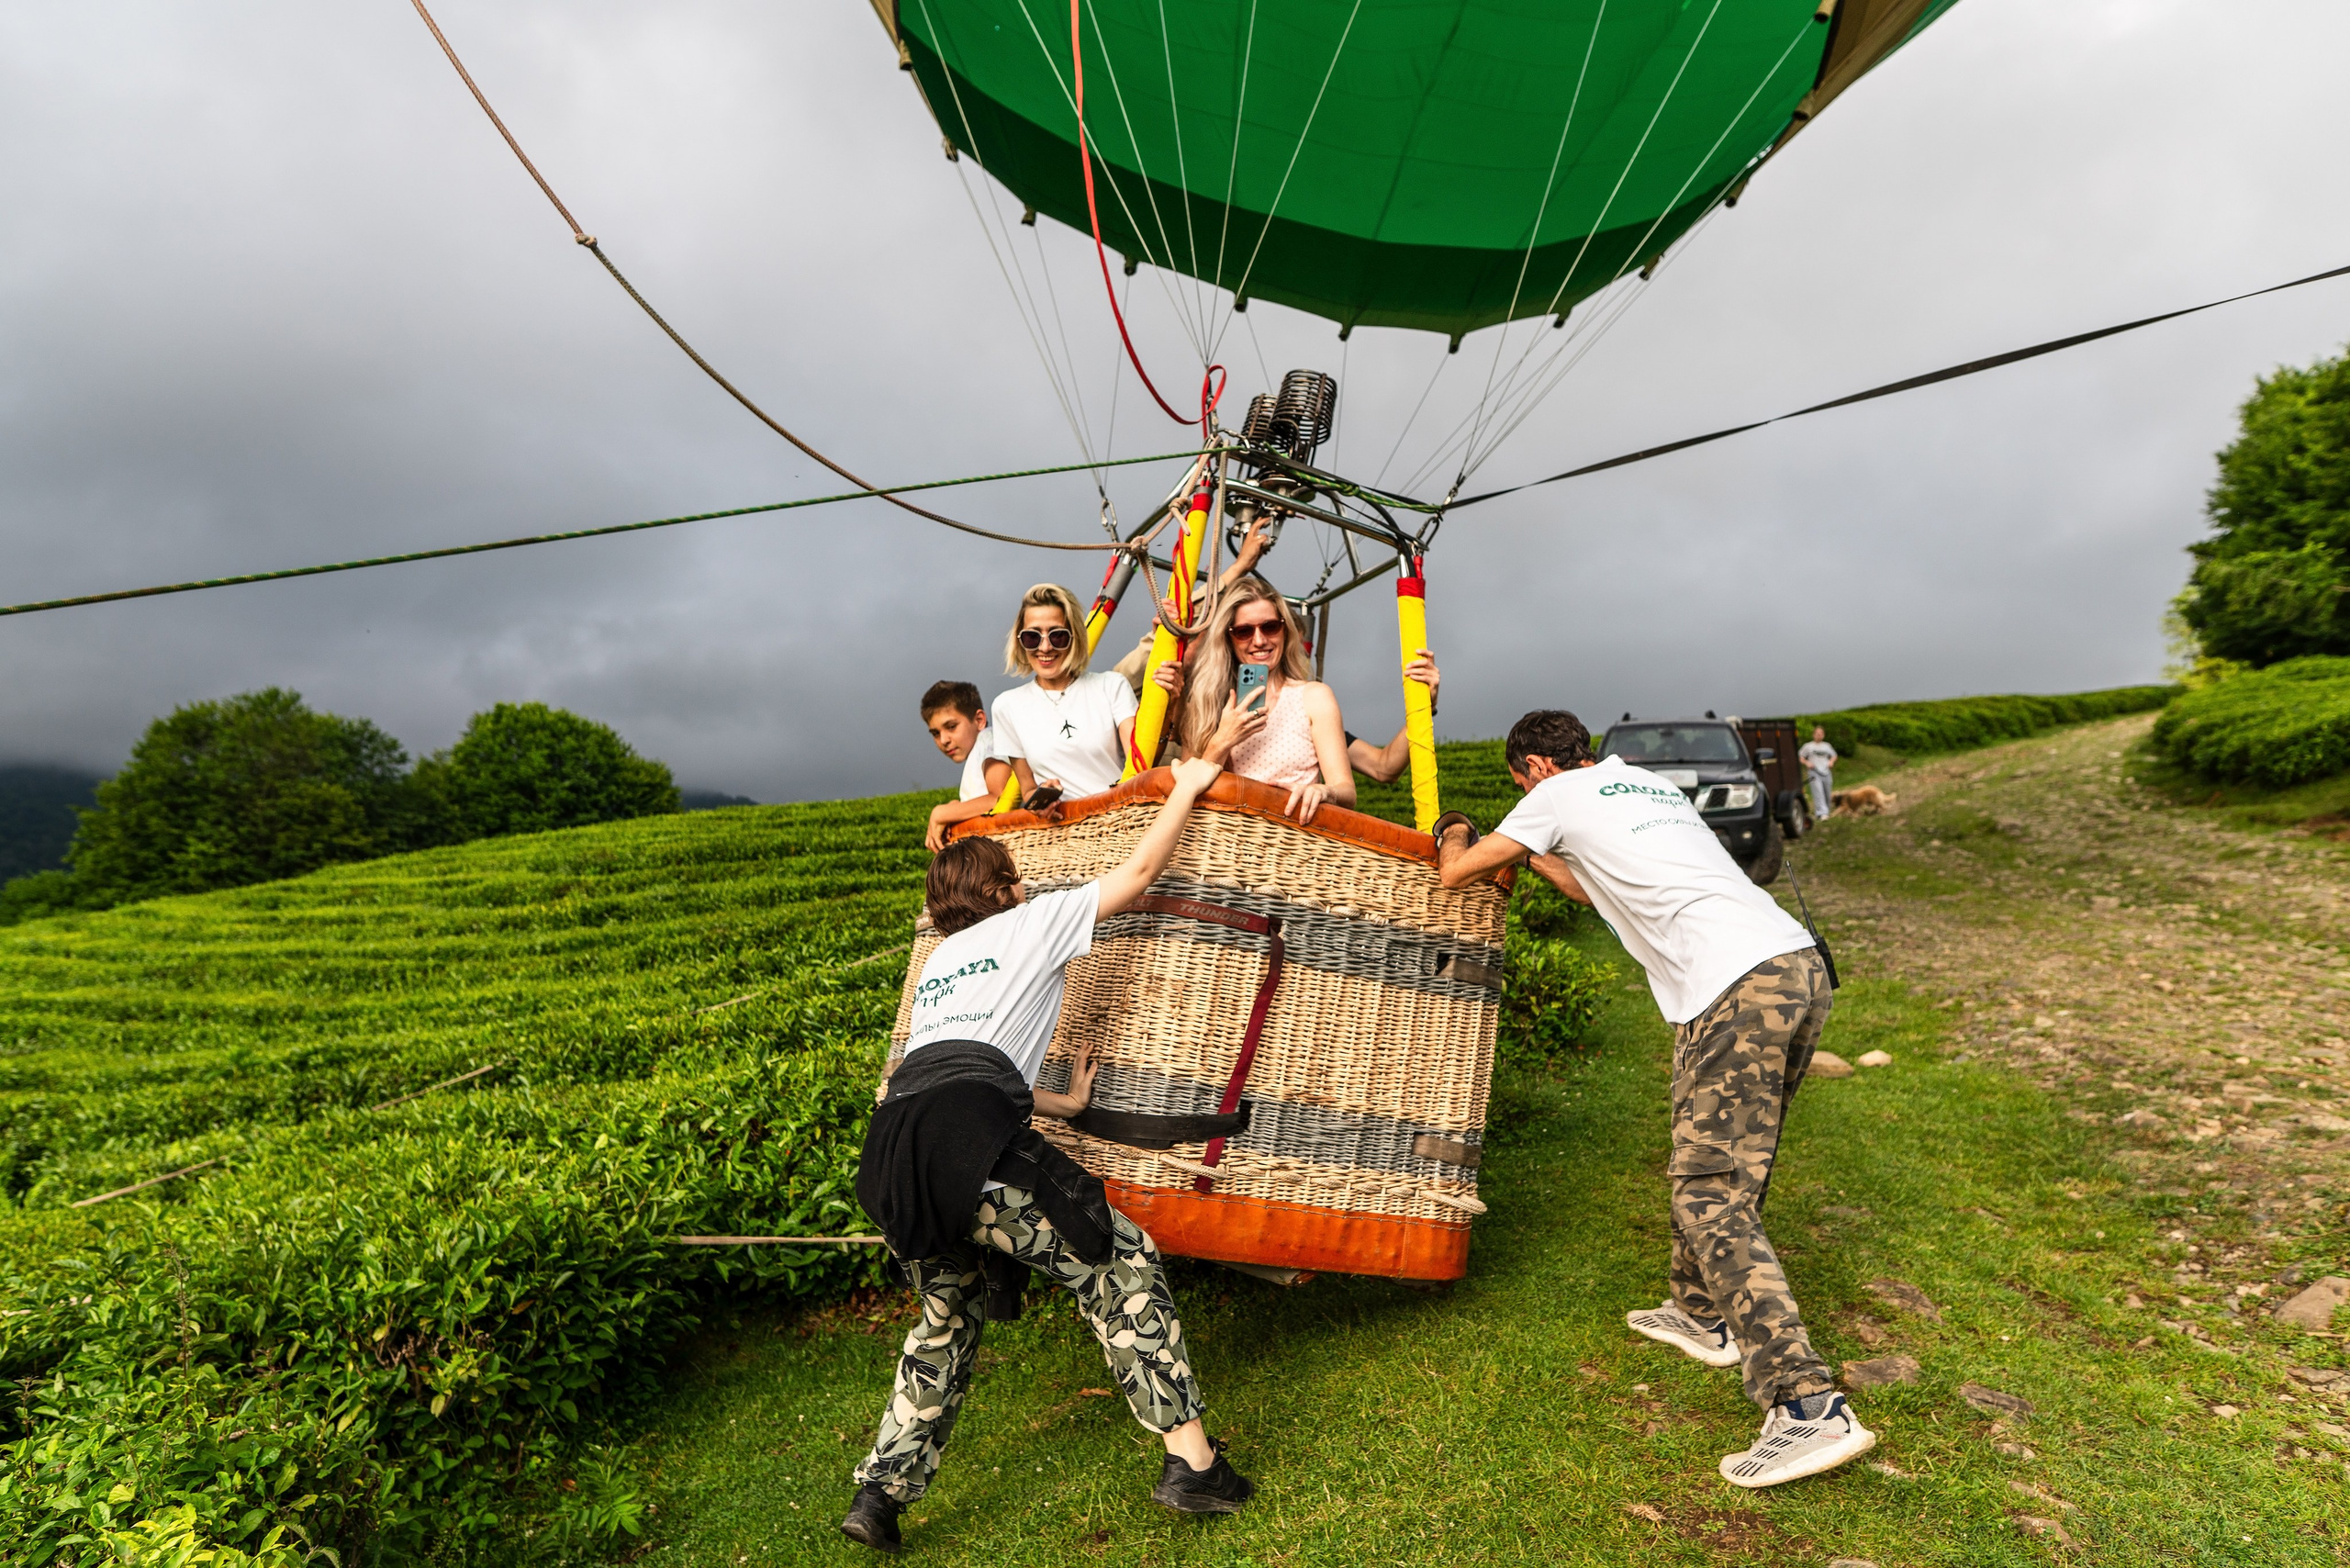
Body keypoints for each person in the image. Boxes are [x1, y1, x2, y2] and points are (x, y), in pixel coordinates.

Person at [1435, 710, 1874, 1490]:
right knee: (1715, 1157)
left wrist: (1456, 830)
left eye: (1520, 784)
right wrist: (1538, 860)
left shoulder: (1554, 794)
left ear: (1533, 767)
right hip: (1793, 967)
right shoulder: (1640, 781)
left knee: (1712, 1189)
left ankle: (1806, 1404)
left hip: (1732, 986)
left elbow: (1455, 875)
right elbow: (1605, 893)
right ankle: (1700, 1313)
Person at [842, 755, 1253, 1550]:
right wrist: (1192, 786)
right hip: (967, 1142)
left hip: (893, 1150)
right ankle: (1195, 1467)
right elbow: (1136, 870)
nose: (1024, 884)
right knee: (1120, 1262)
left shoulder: (938, 962)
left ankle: (880, 1499)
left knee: (943, 1321)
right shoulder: (1029, 922)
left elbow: (943, 1067)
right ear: (1001, 889)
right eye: (1014, 877)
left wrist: (1059, 1101)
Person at [1148, 577, 1353, 823]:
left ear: (1285, 630)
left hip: (1295, 845)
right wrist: (1223, 741)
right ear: (1228, 639)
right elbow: (1186, 795)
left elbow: (1346, 791)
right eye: (1244, 631)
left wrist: (1325, 791)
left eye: (1270, 627)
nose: (1259, 640)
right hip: (1224, 849)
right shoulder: (1205, 702)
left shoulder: (1313, 696)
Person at [987, 584, 1139, 801]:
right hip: (1060, 830)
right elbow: (1028, 789)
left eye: (1057, 636)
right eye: (1033, 637)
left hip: (1117, 820)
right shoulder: (1006, 706)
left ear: (1074, 636)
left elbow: (1138, 765)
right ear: (1020, 642)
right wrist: (1041, 799)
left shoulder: (1112, 686)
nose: (1045, 647)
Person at [919, 680, 1014, 853]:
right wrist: (955, 808)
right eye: (935, 733)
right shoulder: (978, 751)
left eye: (951, 727)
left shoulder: (987, 740)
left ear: (979, 720)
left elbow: (999, 799)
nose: (944, 740)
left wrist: (940, 813)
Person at [1797, 725, 1838, 824]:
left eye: (1821, 734)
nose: (1819, 735)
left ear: (1823, 735)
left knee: (1827, 792)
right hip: (1814, 772)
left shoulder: (1827, 746)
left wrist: (1831, 762)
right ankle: (1821, 813)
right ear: (1813, 735)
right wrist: (1807, 763)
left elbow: (1834, 755)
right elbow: (1800, 757)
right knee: (1818, 792)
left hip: (1826, 771)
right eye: (1817, 734)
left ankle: (1827, 811)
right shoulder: (1808, 746)